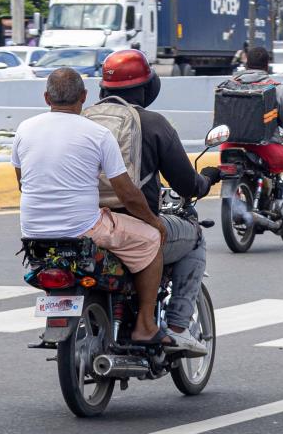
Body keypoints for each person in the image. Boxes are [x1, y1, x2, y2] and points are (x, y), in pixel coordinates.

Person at [12, 67, 171, 347]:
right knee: (151, 240)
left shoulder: (25, 128)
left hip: (33, 232)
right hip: (83, 230)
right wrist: (154, 222)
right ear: (84, 97)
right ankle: (145, 324)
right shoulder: (97, 133)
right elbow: (127, 193)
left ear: (46, 97)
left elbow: (23, 183)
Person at [94, 49, 221, 356]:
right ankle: (177, 328)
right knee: (195, 237)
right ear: (146, 87)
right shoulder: (153, 123)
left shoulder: (83, 118)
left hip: (87, 222)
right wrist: (206, 179)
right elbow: (186, 183)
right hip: (134, 223)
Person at [221, 46, 283, 173]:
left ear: (247, 64)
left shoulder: (227, 87)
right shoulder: (276, 90)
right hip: (265, 149)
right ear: (267, 65)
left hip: (228, 147)